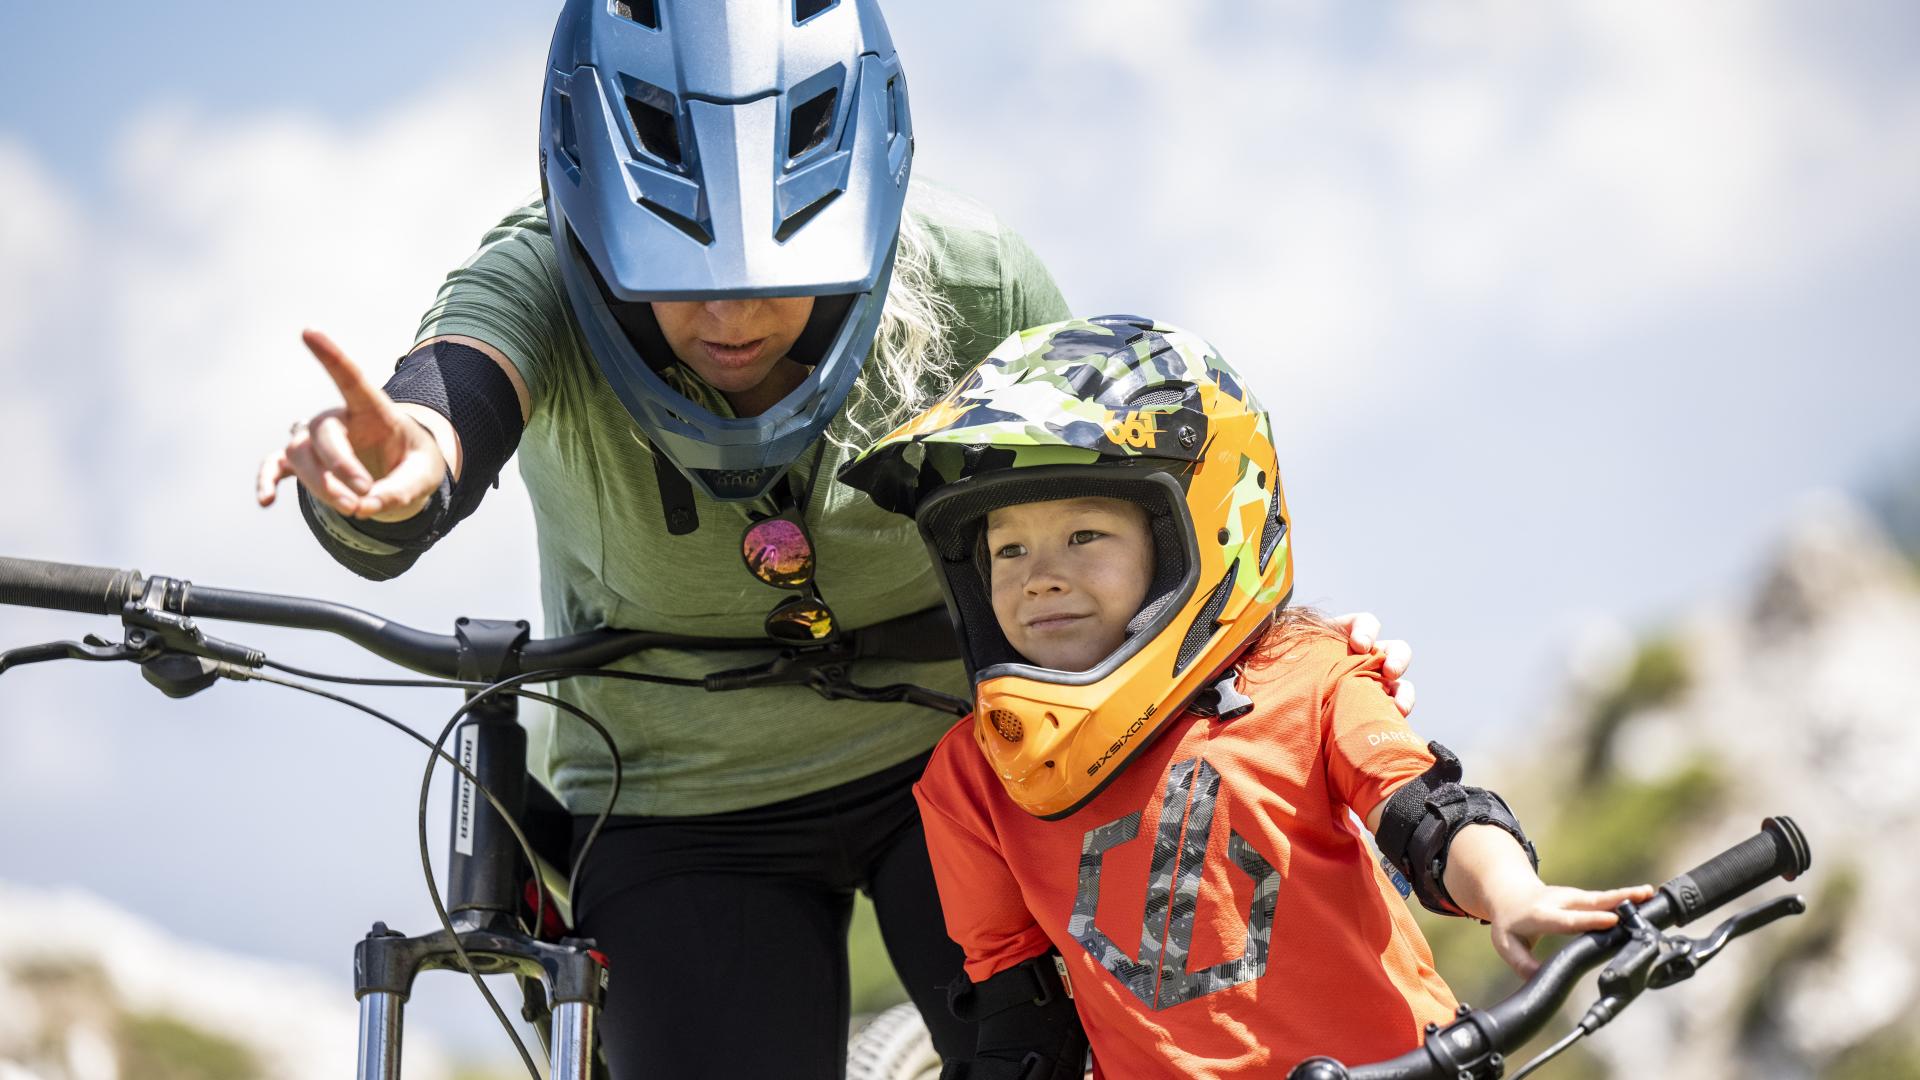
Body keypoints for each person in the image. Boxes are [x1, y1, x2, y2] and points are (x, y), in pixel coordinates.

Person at [252, 3, 1413, 1076]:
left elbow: (1124, 522)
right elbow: (450, 398)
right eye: (677, 278)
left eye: (779, 277)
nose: (730, 319)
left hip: (971, 759)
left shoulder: (972, 275)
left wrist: (1278, 661)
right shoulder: (538, 277)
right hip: (674, 797)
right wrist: (393, 475)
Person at [837, 315, 1654, 1079]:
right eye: (1005, 548)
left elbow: (1431, 816)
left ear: (1194, 528)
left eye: (1085, 534)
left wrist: (1515, 894)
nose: (1038, 575)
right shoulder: (972, 777)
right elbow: (1017, 1016)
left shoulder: (1309, 676)